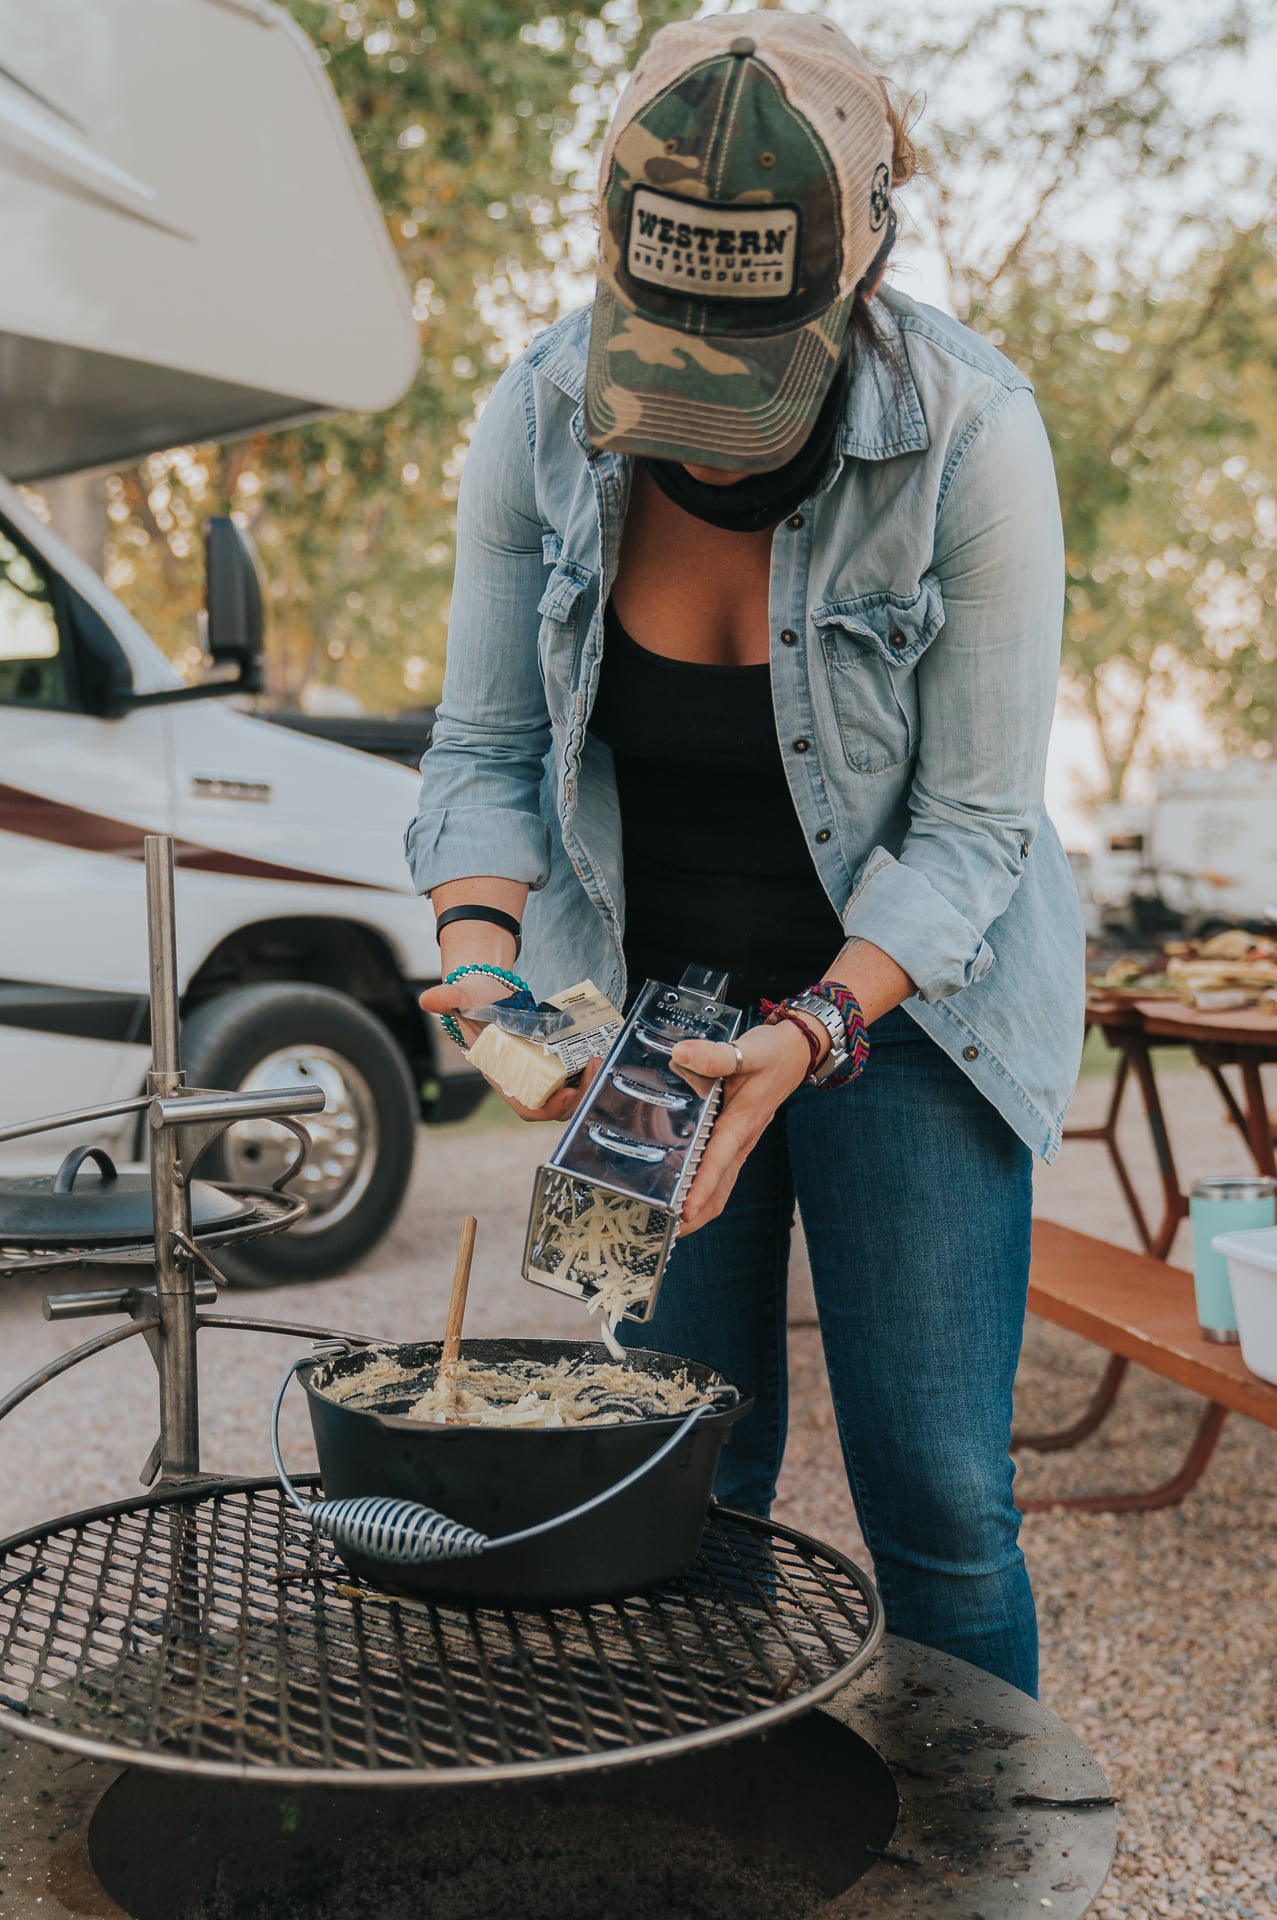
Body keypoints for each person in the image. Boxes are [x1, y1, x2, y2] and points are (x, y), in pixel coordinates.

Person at [410, 10, 1085, 1698]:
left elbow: (972, 828)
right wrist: (485, 968)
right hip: (651, 1010)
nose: (704, 438)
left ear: (854, 273)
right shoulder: (542, 411)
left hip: (908, 1018)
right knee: (677, 1476)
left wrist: (809, 1035)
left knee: (934, 1495)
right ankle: (711, 1835)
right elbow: (485, 746)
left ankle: (978, 1861)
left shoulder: (972, 437)